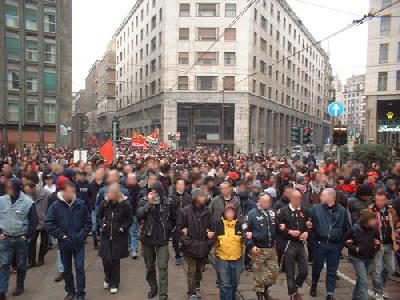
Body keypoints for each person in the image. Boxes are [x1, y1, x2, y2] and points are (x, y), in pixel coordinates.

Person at [45, 181, 92, 300]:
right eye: (70, 192)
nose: (72, 194)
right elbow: (49, 223)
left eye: (73, 192)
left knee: (80, 268)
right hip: (64, 243)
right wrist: (61, 235)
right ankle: (70, 291)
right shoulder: (55, 206)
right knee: (67, 269)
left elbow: (88, 223)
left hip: (78, 243)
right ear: (63, 191)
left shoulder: (80, 204)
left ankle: (81, 294)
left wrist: (81, 235)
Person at [137, 181, 177, 300]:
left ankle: (163, 294)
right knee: (149, 266)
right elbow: (138, 216)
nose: (153, 194)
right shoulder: (144, 201)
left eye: (155, 191)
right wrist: (148, 204)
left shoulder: (168, 202)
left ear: (160, 191)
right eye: (151, 191)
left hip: (162, 239)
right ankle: (153, 287)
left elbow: (174, 218)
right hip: (147, 238)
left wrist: (169, 230)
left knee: (163, 266)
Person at [309, 188, 350, 300]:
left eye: (323, 195)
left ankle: (330, 293)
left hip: (335, 245)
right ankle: (314, 284)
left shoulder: (342, 211)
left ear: (331, 197)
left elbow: (347, 228)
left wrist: (341, 245)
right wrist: (313, 240)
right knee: (317, 267)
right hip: (320, 243)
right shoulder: (316, 209)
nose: (321, 197)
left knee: (332, 270)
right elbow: (308, 223)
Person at [0, 178, 38, 298]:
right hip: (5, 238)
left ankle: (19, 286)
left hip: (20, 239)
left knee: (21, 264)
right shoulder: (2, 200)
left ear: (16, 188)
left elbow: (34, 220)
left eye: (10, 187)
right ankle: (2, 290)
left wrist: (27, 236)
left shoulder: (28, 202)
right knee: (4, 264)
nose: (8, 189)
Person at [97, 183, 133, 294]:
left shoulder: (125, 205)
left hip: (118, 237)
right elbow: (98, 217)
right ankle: (107, 277)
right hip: (106, 236)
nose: (108, 194)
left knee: (115, 260)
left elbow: (130, 220)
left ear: (116, 194)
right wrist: (102, 224)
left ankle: (114, 283)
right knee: (105, 259)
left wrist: (123, 228)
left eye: (110, 193)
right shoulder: (104, 204)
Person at [179, 188, 213, 299]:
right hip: (190, 247)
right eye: (202, 196)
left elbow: (211, 228)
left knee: (199, 271)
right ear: (196, 197)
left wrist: (208, 243)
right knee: (191, 272)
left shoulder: (207, 211)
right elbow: (180, 229)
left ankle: (197, 287)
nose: (205, 198)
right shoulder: (185, 211)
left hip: (202, 247)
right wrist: (187, 242)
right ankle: (191, 293)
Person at [276, 190, 310, 300]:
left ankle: (296, 286)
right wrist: (289, 232)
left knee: (304, 271)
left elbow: (309, 225)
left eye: (299, 198)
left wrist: (306, 232)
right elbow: (277, 228)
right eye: (295, 198)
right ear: (290, 198)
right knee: (290, 272)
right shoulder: (282, 211)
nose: (297, 200)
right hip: (288, 244)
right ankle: (293, 294)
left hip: (300, 243)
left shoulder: (305, 210)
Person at [245, 193, 279, 300]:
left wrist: (282, 227)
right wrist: (251, 245)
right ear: (259, 202)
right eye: (264, 201)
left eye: (268, 201)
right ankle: (259, 295)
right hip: (258, 248)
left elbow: (277, 228)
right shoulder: (252, 214)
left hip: (271, 248)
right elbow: (245, 230)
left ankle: (264, 289)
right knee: (259, 275)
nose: (267, 203)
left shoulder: (272, 213)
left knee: (274, 273)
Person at [344, 209, 381, 300]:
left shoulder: (374, 230)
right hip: (357, 258)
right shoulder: (354, 229)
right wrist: (354, 248)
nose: (375, 221)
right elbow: (344, 241)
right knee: (363, 281)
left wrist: (376, 246)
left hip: (370, 258)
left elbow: (378, 243)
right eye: (372, 219)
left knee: (361, 280)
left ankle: (355, 297)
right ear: (366, 220)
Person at [370, 191, 400, 299]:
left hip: (389, 244)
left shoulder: (391, 210)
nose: (379, 202)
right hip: (378, 245)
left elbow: (396, 223)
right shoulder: (370, 210)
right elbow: (365, 226)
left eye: (381, 200)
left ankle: (381, 287)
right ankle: (378, 292)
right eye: (377, 200)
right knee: (377, 270)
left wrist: (396, 237)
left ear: (386, 200)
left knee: (390, 268)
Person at [215, 204, 244, 300]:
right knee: (225, 284)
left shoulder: (240, 225)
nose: (230, 214)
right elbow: (211, 237)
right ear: (224, 213)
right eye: (228, 212)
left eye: (232, 212)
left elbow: (246, 240)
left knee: (235, 283)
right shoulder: (218, 224)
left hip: (237, 259)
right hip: (222, 259)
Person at [24, 180, 50, 268]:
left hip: (45, 222)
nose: (28, 193)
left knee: (44, 243)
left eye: (29, 191)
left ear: (34, 188)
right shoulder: (27, 197)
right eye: (26, 192)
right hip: (33, 223)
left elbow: (51, 207)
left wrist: (48, 218)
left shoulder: (46, 194)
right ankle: (31, 261)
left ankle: (41, 258)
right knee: (31, 243)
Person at [171, 177, 192, 265]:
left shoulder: (188, 196)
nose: (181, 186)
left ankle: (185, 253)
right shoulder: (171, 196)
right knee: (175, 240)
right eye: (180, 184)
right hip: (174, 222)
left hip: (185, 221)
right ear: (176, 186)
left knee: (186, 238)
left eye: (183, 184)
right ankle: (177, 256)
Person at [125, 173, 142, 259]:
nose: (131, 181)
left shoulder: (139, 190)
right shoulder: (124, 189)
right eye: (129, 179)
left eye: (133, 179)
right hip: (125, 214)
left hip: (135, 214)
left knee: (133, 232)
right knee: (127, 231)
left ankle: (134, 250)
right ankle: (129, 246)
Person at [87, 167, 105, 250]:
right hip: (94, 210)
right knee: (93, 228)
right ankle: (95, 241)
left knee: (102, 228)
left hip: (104, 210)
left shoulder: (105, 185)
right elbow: (89, 196)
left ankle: (103, 243)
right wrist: (91, 203)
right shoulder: (91, 185)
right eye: (97, 173)